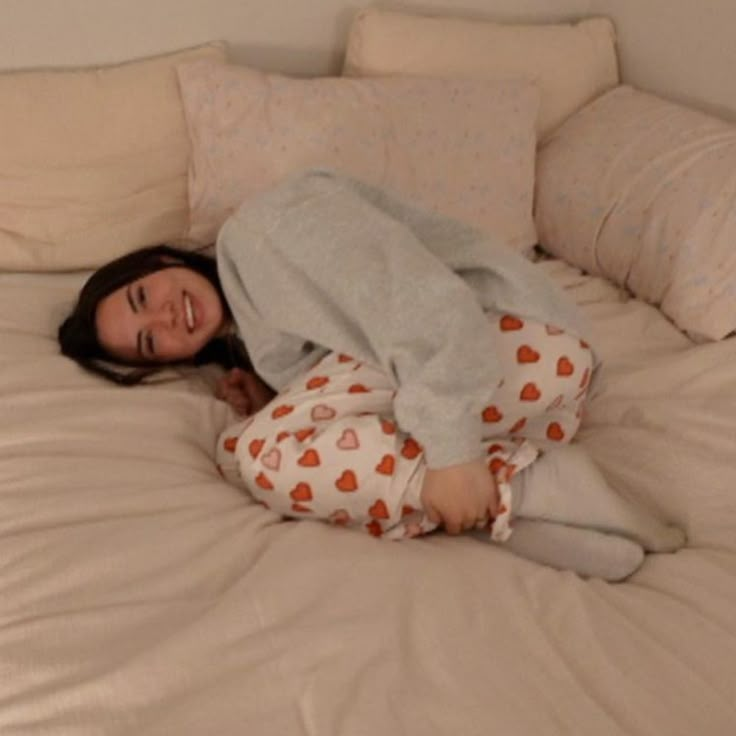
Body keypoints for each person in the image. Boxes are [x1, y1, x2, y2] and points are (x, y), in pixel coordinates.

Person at [59, 170, 685, 580]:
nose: (166, 318)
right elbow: (359, 369)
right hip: (521, 391)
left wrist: (451, 449)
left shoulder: (262, 231)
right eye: (150, 342)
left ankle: (528, 493)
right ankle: (514, 501)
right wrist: (281, 396)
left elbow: (414, 297)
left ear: (164, 259)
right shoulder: (252, 329)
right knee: (262, 433)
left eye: (144, 296)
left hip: (511, 341)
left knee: (250, 455)